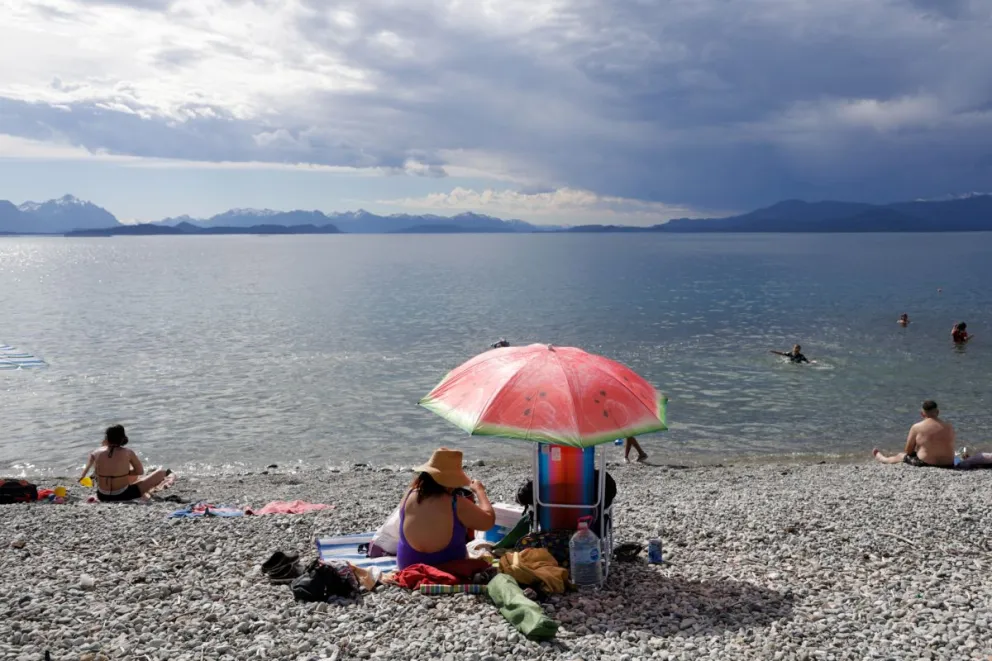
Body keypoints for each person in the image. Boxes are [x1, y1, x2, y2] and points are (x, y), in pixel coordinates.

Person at [396, 448, 495, 570]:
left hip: (407, 566)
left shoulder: (409, 494)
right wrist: (480, 491)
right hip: (446, 567)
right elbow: (488, 521)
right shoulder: (455, 503)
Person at [80, 425, 170, 502]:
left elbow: (97, 468)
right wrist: (123, 471)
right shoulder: (128, 452)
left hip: (102, 495)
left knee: (130, 476)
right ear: (122, 438)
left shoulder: (96, 452)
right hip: (123, 495)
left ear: (106, 438)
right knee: (161, 472)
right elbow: (140, 471)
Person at [872, 400, 955, 468]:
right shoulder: (949, 427)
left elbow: (908, 450)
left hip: (926, 463)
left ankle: (882, 459)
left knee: (901, 455)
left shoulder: (917, 427)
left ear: (922, 414)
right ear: (938, 412)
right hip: (949, 464)